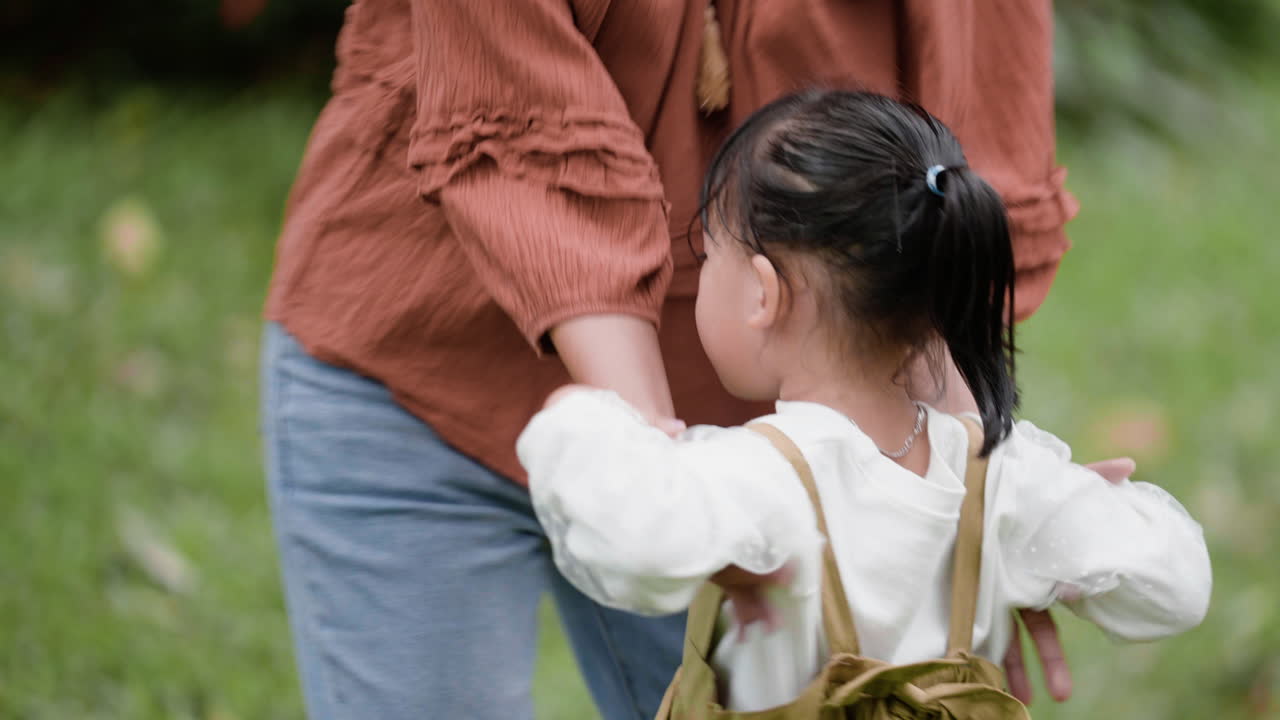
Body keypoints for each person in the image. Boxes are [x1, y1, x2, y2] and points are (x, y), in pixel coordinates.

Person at [257, 1, 1088, 718]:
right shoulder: (683, 491)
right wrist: (659, 483)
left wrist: (955, 500)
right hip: (418, 371)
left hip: (759, 465)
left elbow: (966, 147)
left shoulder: (765, 479)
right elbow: (513, 114)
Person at [518, 89, 1212, 713]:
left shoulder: (759, 482)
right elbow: (1176, 586)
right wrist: (1070, 514)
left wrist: (575, 422)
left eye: (708, 252)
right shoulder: (997, 478)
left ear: (764, 293)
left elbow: (632, 544)